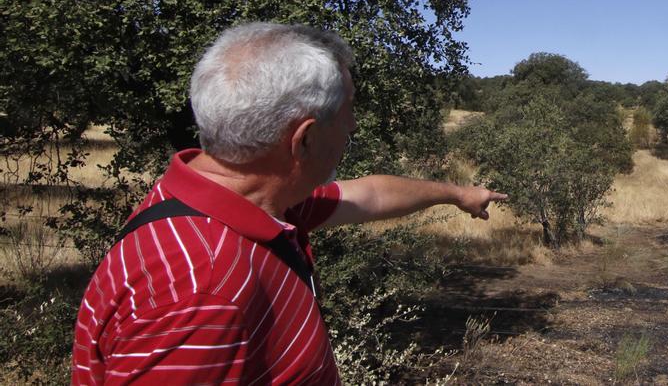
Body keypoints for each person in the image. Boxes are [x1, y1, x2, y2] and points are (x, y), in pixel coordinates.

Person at [72, 22, 506, 384]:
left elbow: (369, 195)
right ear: (305, 139)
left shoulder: (244, 202)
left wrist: (458, 194)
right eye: (347, 110)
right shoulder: (203, 287)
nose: (353, 126)